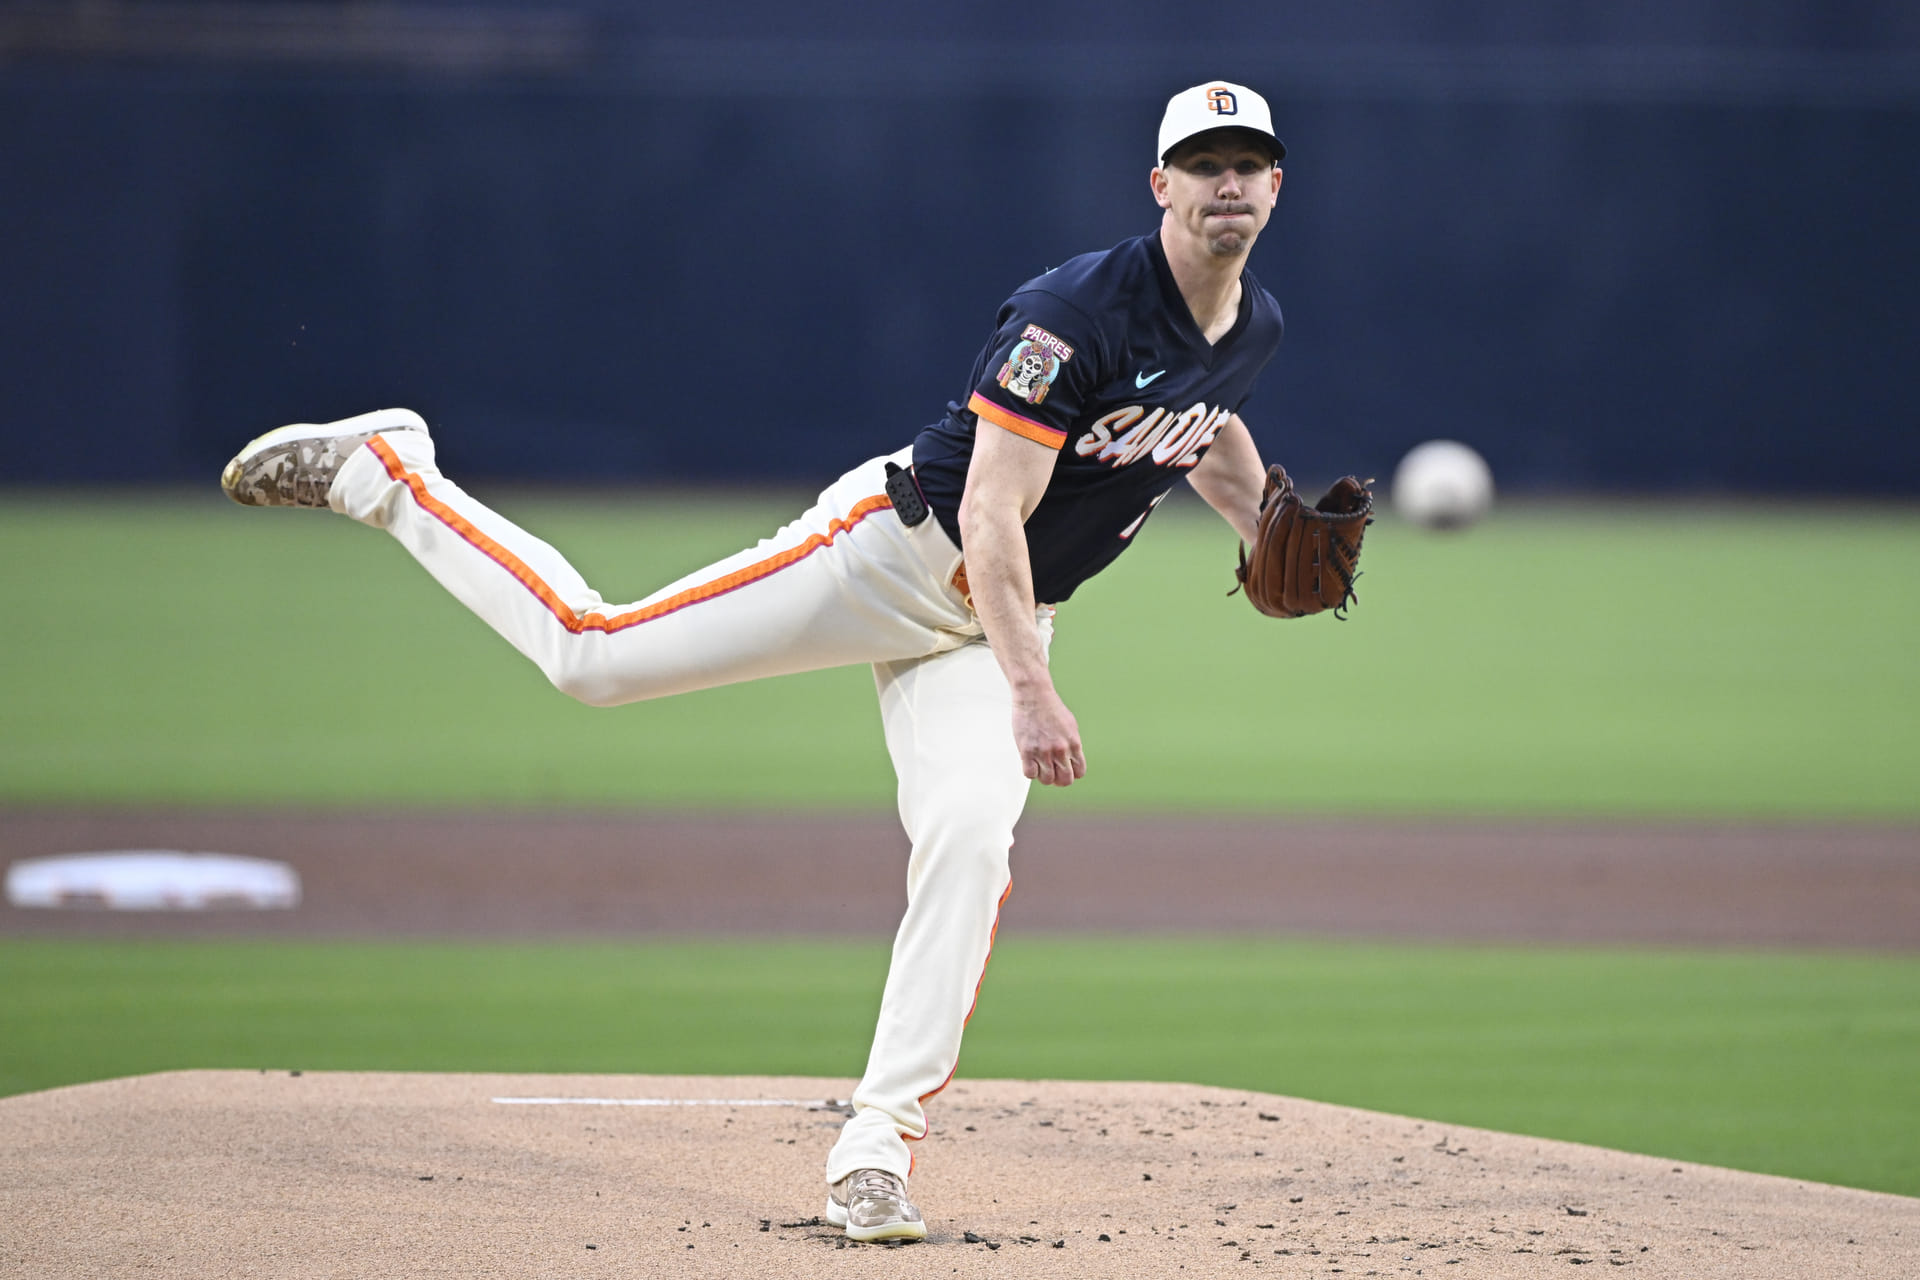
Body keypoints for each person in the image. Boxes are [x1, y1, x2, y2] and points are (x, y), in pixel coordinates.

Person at [221, 80, 1290, 1243]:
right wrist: (1034, 688)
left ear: (1276, 187)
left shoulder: (1254, 327)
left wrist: (1262, 519)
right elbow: (991, 511)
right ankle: (391, 473)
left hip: (993, 627)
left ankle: (874, 1151)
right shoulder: (1070, 315)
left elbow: (1204, 422)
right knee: (594, 657)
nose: (1226, 182)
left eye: (1247, 163)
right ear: (1161, 185)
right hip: (892, 554)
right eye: (1204, 162)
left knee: (973, 844)